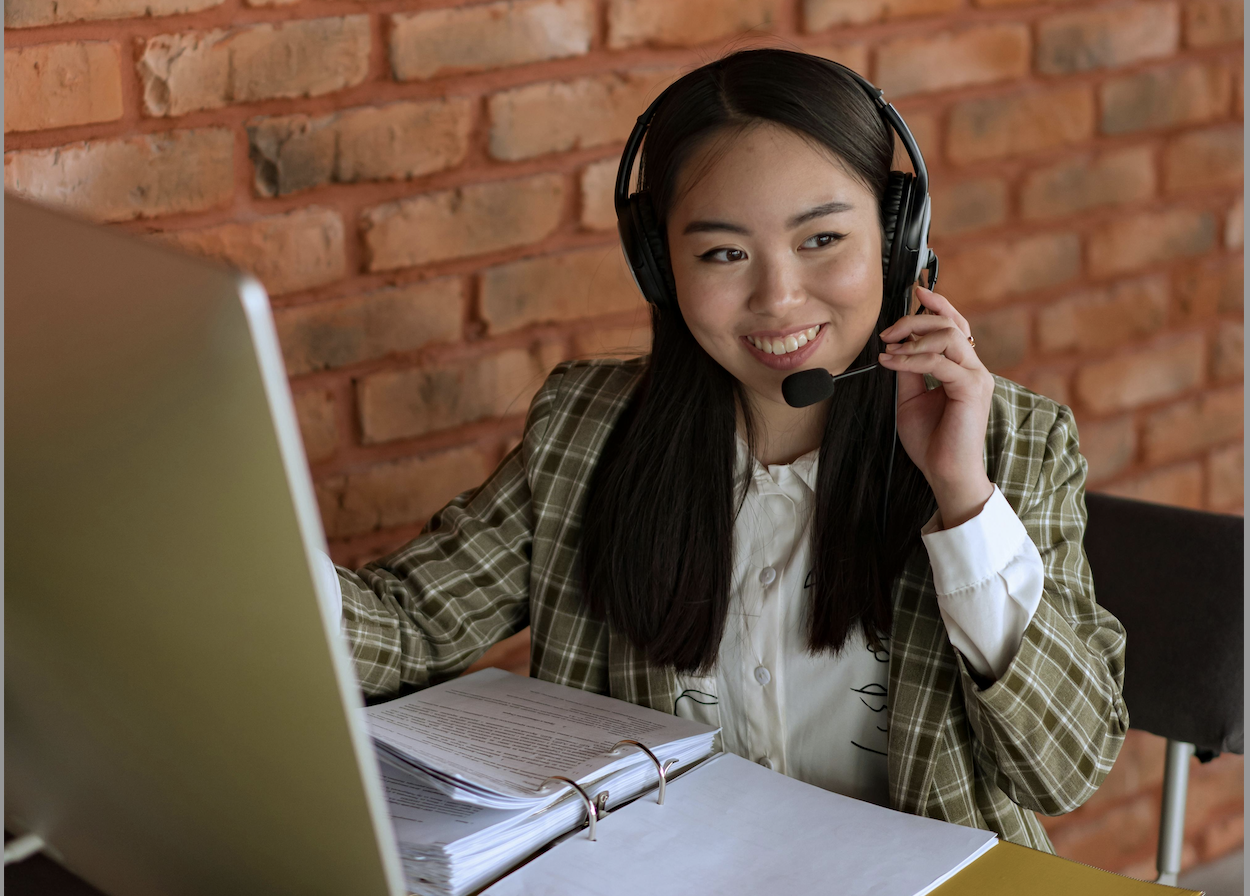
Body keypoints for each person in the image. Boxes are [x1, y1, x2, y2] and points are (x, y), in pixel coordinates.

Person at [330, 49, 1127, 850]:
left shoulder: (1010, 443)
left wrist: (961, 497)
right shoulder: (588, 427)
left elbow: (1064, 771)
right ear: (657, 265)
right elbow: (410, 629)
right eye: (723, 253)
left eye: (821, 238)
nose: (778, 298)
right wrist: (251, 549)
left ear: (897, 238)